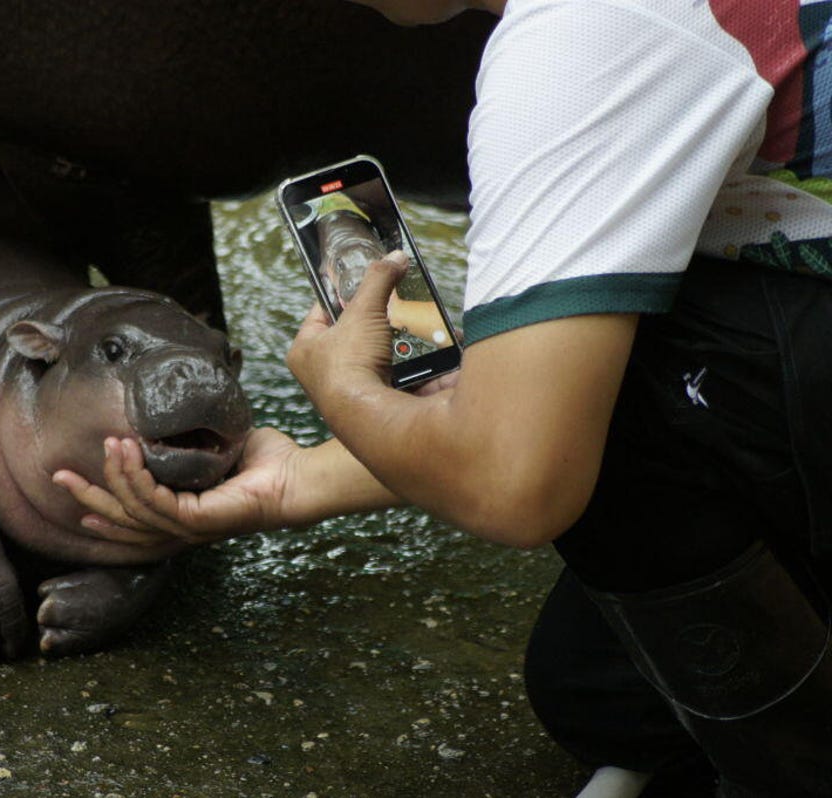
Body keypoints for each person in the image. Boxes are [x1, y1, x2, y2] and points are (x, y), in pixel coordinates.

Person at [53, 1, 832, 795]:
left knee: (628, 363)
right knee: (599, 694)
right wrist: (298, 481)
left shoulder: (579, 42)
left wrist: (344, 392)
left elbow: (515, 482)